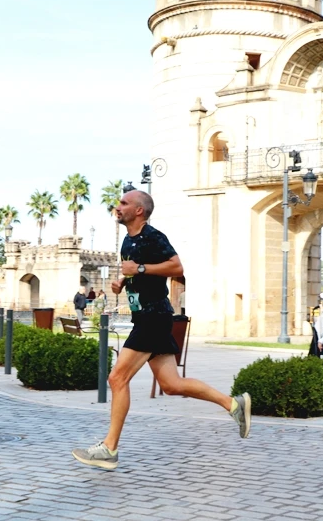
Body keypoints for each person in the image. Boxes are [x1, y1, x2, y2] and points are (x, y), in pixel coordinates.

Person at [72, 190, 251, 470]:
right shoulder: (129, 241)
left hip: (152, 317)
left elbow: (176, 267)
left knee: (117, 378)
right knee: (171, 385)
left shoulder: (152, 236)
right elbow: (137, 273)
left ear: (139, 210)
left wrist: (139, 269)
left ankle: (109, 448)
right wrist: (123, 283)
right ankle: (234, 404)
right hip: (150, 316)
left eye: (124, 203)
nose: (118, 207)